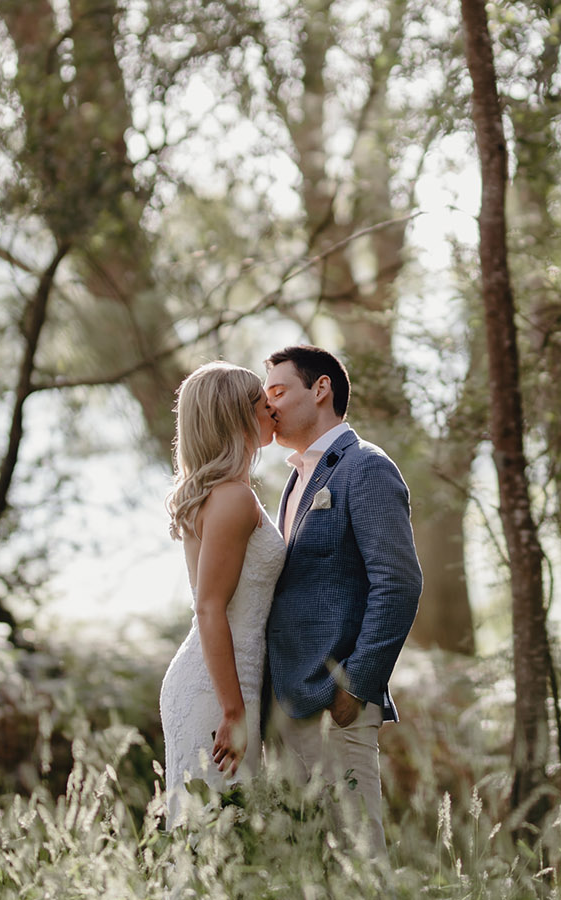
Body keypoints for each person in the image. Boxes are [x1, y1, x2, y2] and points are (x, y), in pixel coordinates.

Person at [262, 345, 422, 858]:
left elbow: (398, 583)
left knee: (359, 863)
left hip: (336, 706)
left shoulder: (366, 467)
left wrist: (354, 685)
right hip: (284, 703)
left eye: (278, 391)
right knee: (305, 872)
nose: (269, 406)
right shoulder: (296, 478)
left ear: (321, 389)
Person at [158, 362, 285, 825]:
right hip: (219, 691)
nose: (272, 410)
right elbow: (209, 607)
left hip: (226, 679)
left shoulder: (223, 493)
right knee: (218, 833)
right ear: (237, 416)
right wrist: (233, 711)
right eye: (262, 403)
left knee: (219, 834)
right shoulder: (233, 497)